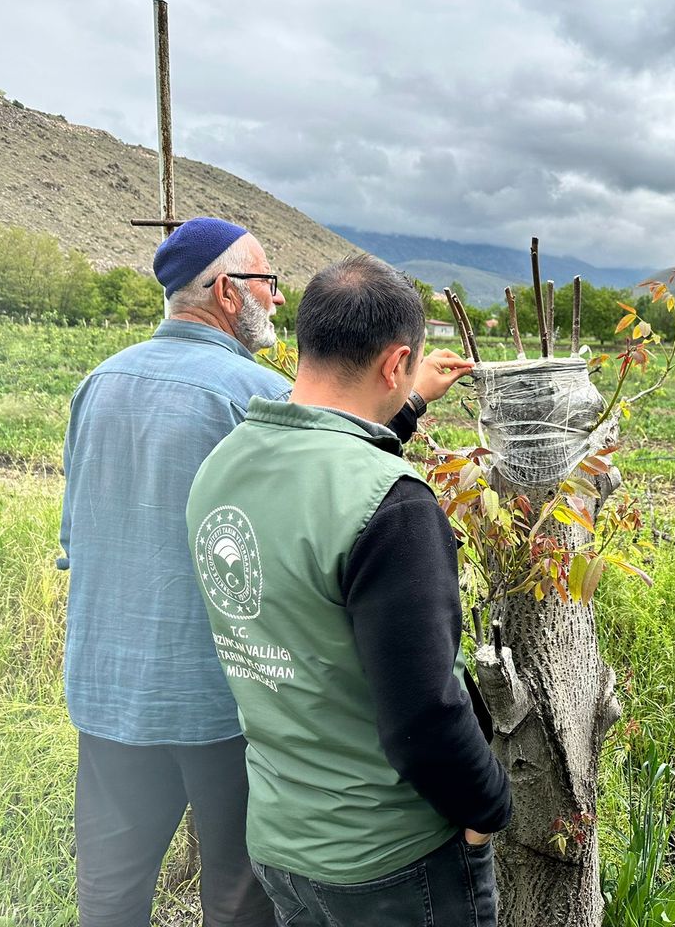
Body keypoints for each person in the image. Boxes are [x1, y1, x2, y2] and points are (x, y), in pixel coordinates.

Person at [58, 219, 470, 927]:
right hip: (221, 704)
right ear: (226, 292)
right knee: (239, 898)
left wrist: (411, 395)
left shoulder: (98, 383)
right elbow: (321, 486)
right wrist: (409, 405)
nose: (278, 300)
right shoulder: (248, 392)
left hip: (106, 694)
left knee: (108, 893)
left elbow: (75, 538)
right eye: (267, 283)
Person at [185, 253, 511, 927]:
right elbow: (424, 718)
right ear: (395, 363)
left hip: (280, 838)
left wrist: (410, 403)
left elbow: (320, 478)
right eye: (404, 372)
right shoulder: (395, 508)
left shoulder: (223, 465)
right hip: (390, 861)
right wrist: (488, 810)